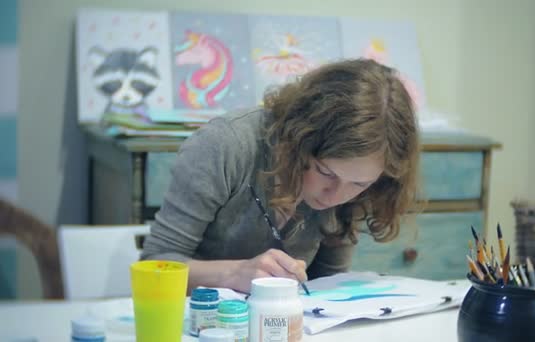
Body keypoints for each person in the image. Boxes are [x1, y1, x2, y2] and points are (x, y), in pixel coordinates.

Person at [141, 58, 420, 293]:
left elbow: (325, 285)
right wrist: (234, 274)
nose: (337, 196)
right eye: (326, 172)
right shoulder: (226, 146)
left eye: (359, 184)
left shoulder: (357, 179)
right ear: (299, 139)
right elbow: (154, 266)